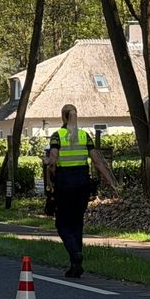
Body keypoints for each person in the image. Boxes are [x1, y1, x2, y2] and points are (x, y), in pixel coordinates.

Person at [45, 104, 118, 278]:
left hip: (65, 184)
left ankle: (74, 252)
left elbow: (53, 159)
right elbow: (98, 162)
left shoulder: (57, 136)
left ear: (63, 117)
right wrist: (112, 183)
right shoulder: (85, 136)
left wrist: (48, 164)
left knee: (62, 223)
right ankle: (75, 265)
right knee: (77, 222)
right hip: (83, 183)